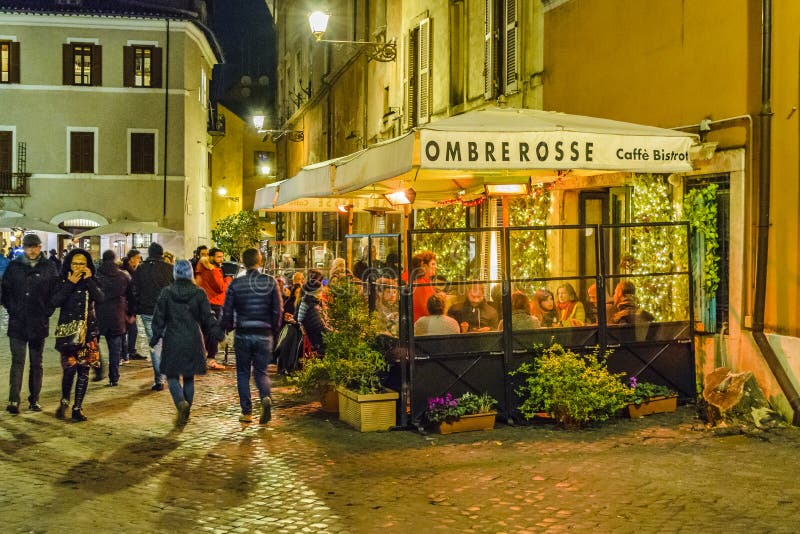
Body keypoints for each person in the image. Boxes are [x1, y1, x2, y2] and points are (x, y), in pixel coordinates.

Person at [150, 260, 220, 427]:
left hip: (173, 338)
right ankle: (186, 410)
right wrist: (218, 332)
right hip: (193, 338)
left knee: (172, 376)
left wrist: (155, 336)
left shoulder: (167, 292)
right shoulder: (199, 293)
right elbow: (208, 316)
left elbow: (158, 317)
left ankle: (181, 403)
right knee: (189, 377)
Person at [220, 249, 283, 424]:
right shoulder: (270, 282)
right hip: (264, 333)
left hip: (243, 333)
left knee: (242, 373)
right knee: (261, 372)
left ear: (242, 261)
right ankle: (265, 397)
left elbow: (227, 311)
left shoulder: (236, 284)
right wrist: (274, 332)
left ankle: (247, 412)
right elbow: (278, 310)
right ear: (260, 261)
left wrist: (226, 328)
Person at [1, 234, 60, 414]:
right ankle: (13, 399)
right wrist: (13, 309)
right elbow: (5, 291)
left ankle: (34, 399)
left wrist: (46, 311)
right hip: (18, 322)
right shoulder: (14, 266)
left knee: (36, 362)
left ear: (40, 247)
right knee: (17, 361)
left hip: (38, 321)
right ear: (24, 248)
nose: (32, 250)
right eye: (29, 247)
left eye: (35, 246)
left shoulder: (49, 267)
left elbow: (54, 292)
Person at [51, 248, 105, 422]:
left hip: (88, 333)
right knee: (69, 369)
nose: (78, 267)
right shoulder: (62, 280)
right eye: (75, 263)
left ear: (88, 265)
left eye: (82, 263)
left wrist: (89, 280)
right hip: (68, 333)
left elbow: (101, 298)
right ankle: (65, 400)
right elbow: (55, 301)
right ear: (69, 264)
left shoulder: (92, 280)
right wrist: (70, 283)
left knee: (84, 370)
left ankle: (77, 407)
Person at [132, 242, 174, 391]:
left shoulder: (141, 269)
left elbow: (134, 290)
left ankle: (159, 380)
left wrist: (136, 307)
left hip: (148, 311)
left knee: (155, 345)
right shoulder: (170, 268)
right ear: (161, 254)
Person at [95, 250, 134, 387]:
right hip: (117, 314)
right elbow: (131, 295)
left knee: (94, 344)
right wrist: (131, 313)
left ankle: (98, 368)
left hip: (99, 314)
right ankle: (114, 377)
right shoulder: (123, 276)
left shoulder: (96, 276)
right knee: (115, 348)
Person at [196, 247, 230, 370]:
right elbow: (221, 287)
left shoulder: (201, 268)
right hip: (215, 302)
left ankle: (203, 356)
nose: (221, 259)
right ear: (211, 257)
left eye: (222, 256)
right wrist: (228, 279)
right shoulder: (214, 271)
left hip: (203, 302)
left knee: (205, 330)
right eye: (218, 257)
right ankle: (211, 358)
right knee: (213, 331)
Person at [121, 249, 146, 361]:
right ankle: (126, 352)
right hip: (125, 305)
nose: (139, 260)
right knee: (127, 329)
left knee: (130, 329)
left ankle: (128, 351)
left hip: (129, 305)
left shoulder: (133, 270)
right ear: (131, 259)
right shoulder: (126, 271)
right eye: (137, 258)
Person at [297, 269, 330, 354]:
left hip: (314, 338)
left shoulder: (307, 302)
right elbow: (319, 328)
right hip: (318, 342)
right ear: (316, 293)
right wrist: (333, 333)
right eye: (320, 292)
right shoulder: (312, 307)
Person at [411, 251, 438, 323]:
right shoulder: (421, 283)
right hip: (423, 323)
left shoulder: (427, 281)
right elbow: (427, 309)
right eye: (433, 264)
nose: (436, 266)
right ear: (424, 266)